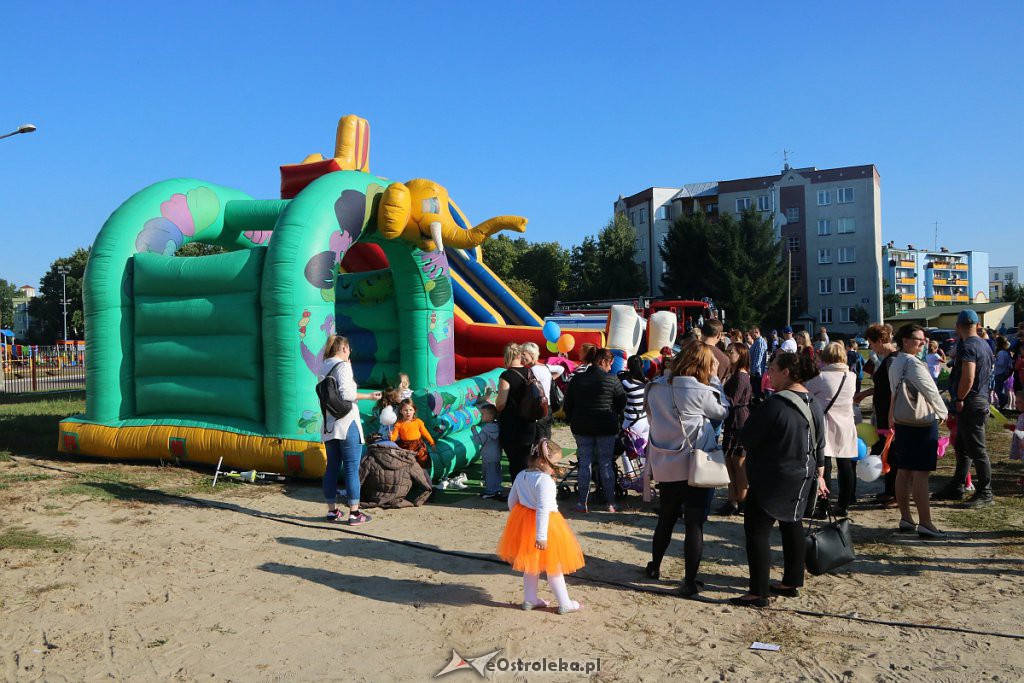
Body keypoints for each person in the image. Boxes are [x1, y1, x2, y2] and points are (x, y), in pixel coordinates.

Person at [730, 352, 827, 608]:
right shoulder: (813, 402)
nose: (768, 373)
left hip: (772, 476)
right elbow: (820, 443)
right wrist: (821, 472)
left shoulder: (776, 404)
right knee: (792, 524)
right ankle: (792, 581)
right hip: (802, 475)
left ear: (786, 372)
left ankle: (758, 592)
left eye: (772, 368)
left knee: (757, 531)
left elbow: (747, 438)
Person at [643, 342, 729, 597]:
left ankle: (655, 566)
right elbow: (722, 411)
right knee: (694, 524)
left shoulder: (655, 388)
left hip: (666, 461)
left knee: (665, 518)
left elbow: (651, 420)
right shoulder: (702, 390)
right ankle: (690, 580)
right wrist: (715, 381)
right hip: (695, 463)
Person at [496, 440, 584, 614]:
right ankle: (564, 603)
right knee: (554, 565)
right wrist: (541, 535)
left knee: (531, 564)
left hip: (526, 523)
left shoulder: (521, 475)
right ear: (543, 461)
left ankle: (529, 599)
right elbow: (543, 509)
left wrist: (520, 519)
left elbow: (511, 501)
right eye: (555, 463)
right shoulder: (545, 481)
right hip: (547, 527)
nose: (556, 467)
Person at [888, 324, 949, 538]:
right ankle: (926, 522)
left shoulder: (895, 363)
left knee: (903, 471)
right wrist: (943, 412)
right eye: (918, 339)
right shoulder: (913, 364)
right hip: (921, 423)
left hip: (902, 421)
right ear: (905, 340)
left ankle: (906, 518)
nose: (923, 342)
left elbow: (893, 392)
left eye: (924, 339)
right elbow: (930, 391)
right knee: (921, 474)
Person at [934, 310, 995, 507]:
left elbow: (968, 376)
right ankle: (957, 485)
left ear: (958, 326)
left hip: (970, 401)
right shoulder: (984, 345)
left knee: (977, 449)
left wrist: (960, 398)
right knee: (963, 446)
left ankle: (985, 492)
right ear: (977, 325)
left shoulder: (968, 346)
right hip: (979, 399)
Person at [320, 334, 382, 526]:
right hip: (347, 424)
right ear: (344, 348)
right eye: (349, 349)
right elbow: (347, 394)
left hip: (329, 425)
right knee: (351, 468)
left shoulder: (323, 366)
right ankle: (354, 513)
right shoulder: (344, 366)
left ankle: (332, 511)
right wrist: (370, 396)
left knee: (331, 467)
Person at [563, 348, 627, 513]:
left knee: (585, 463)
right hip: (606, 426)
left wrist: (572, 419)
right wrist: (614, 415)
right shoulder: (612, 380)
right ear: (603, 361)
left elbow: (567, 404)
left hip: (581, 426)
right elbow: (622, 402)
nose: (610, 367)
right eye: (610, 364)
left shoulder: (577, 379)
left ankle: (581, 503)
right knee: (606, 463)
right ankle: (610, 503)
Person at [806, 342, 858, 517]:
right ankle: (843, 505)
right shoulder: (851, 376)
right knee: (846, 467)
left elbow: (807, 393)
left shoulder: (820, 378)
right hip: (846, 424)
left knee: (824, 467)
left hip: (826, 424)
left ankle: (823, 506)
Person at [854, 323, 899, 507]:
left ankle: (895, 494)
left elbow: (894, 391)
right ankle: (889, 490)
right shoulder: (888, 359)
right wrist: (865, 394)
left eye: (872, 343)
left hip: (889, 416)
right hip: (882, 414)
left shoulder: (892, 361)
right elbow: (882, 387)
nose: (871, 347)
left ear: (880, 340)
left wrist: (891, 417)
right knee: (885, 452)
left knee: (891, 453)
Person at [496, 343, 537, 484]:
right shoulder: (530, 372)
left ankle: (518, 493)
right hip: (529, 423)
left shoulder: (506, 376)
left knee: (515, 462)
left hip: (512, 424)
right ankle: (527, 492)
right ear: (520, 355)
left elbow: (501, 403)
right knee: (525, 460)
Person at [720, 342, 751, 516]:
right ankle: (732, 500)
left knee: (738, 463)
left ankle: (742, 500)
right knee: (730, 461)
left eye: (731, 351)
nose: (728, 353)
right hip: (733, 419)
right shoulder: (734, 374)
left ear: (741, 355)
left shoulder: (741, 376)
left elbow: (733, 400)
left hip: (739, 420)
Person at [521, 342, 554, 440]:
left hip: (538, 408)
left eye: (524, 354)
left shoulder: (533, 370)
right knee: (546, 437)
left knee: (538, 439)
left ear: (531, 354)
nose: (522, 357)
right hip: (548, 406)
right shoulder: (545, 367)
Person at [391, 399, 436, 469]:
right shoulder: (399, 424)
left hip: (418, 446)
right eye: (405, 410)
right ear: (401, 411)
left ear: (414, 410)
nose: (408, 412)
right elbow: (393, 438)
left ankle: (424, 475)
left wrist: (432, 443)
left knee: (422, 462)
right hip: (405, 446)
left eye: (410, 410)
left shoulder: (418, 422)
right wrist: (391, 436)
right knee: (407, 465)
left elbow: (425, 433)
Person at [472, 404, 504, 500]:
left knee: (488, 474)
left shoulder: (486, 429)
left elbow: (479, 441)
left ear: (490, 416)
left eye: (482, 414)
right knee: (496, 472)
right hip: (496, 455)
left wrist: (474, 432)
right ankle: (497, 489)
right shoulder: (497, 426)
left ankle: (490, 491)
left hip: (488, 456)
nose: (481, 416)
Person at [620, 354, 650, 442]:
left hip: (632, 420)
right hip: (645, 420)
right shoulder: (647, 382)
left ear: (628, 366)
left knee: (627, 452)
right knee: (641, 451)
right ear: (642, 366)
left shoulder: (625, 383)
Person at [748, 327, 768, 401]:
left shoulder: (760, 342)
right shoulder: (757, 341)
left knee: (757, 393)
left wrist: (753, 371)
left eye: (751, 333)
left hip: (757, 372)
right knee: (756, 392)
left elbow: (758, 358)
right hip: (756, 371)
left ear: (756, 332)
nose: (750, 335)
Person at [994, 336, 1013, 410]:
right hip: (1002, 372)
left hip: (1000, 373)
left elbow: (1001, 364)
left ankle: (1004, 400)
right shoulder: (1005, 352)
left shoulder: (1001, 353)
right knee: (999, 389)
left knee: (998, 389)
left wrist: (994, 360)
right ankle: (1002, 404)